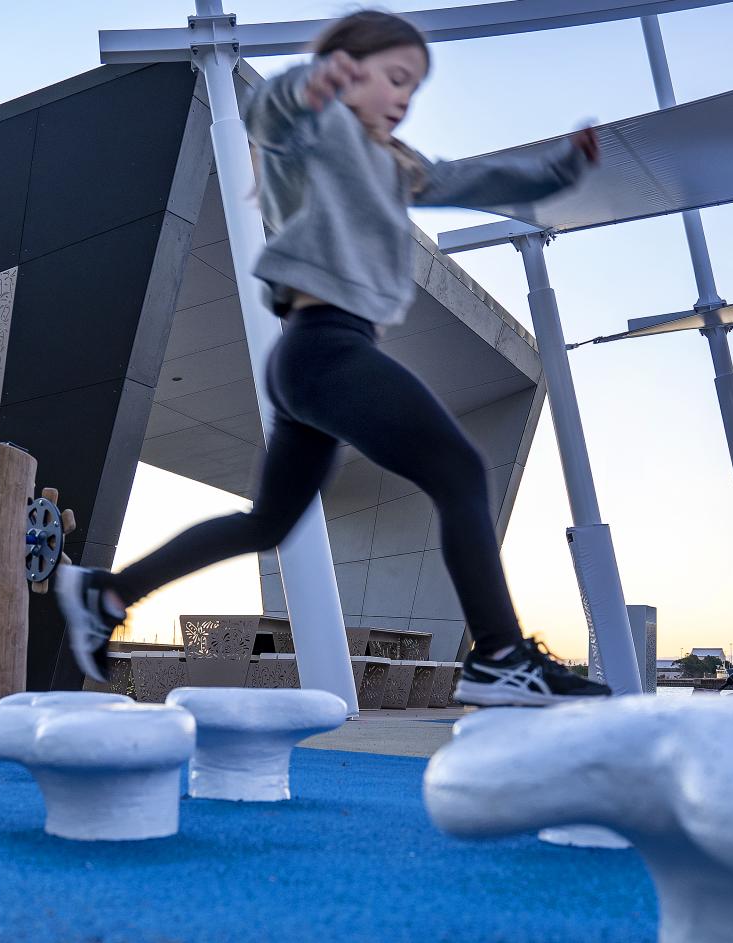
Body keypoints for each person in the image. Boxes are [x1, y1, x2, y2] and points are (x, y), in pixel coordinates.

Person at [56, 10, 606, 707]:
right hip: (326, 348)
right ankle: (499, 656)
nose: (406, 98)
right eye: (396, 79)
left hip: (313, 360)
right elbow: (269, 114)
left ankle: (108, 591)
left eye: (416, 88)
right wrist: (314, 85)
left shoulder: (395, 163)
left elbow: (469, 178)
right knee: (461, 468)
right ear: (352, 70)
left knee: (269, 522)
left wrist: (560, 166)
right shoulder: (320, 128)